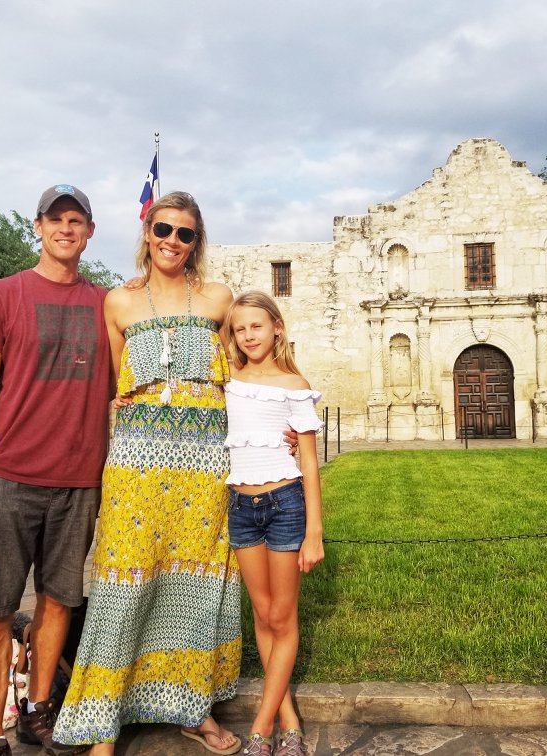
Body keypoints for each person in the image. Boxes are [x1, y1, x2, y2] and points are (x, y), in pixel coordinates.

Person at [52, 191, 243, 755]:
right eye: (164, 229)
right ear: (147, 232)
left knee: (197, 581)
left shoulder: (217, 298)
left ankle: (193, 707)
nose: (172, 241)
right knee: (124, 578)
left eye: (185, 234)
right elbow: (113, 384)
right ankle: (102, 722)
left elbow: (243, 370)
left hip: (206, 461)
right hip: (138, 459)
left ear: (196, 241)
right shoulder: (119, 303)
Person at [0, 184, 110, 756]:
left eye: (77, 220)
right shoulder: (2, 295)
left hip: (77, 481)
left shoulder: (105, 304)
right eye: (56, 219)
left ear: (90, 231)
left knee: (58, 600)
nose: (66, 229)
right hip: (11, 479)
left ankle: (39, 709)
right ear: (38, 226)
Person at [223, 291, 325, 756]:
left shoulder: (293, 383)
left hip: (285, 505)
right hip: (242, 509)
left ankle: (261, 729)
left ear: (276, 327)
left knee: (282, 617)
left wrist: (314, 532)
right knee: (262, 614)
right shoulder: (228, 380)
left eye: (257, 327)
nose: (248, 336)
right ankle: (289, 720)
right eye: (240, 328)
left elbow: (308, 459)